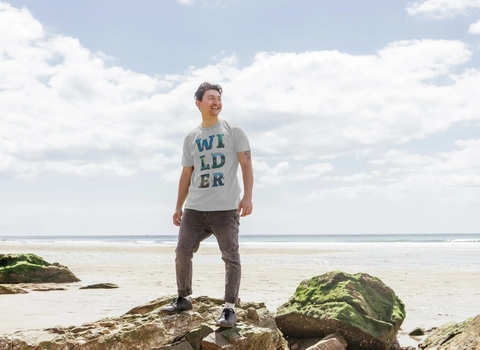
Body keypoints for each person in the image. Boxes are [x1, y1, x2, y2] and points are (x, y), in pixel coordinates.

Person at [160, 82, 254, 328]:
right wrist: (178, 206)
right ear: (198, 103)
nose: (216, 102)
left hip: (225, 208)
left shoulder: (234, 131)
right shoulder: (191, 137)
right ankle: (184, 297)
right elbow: (186, 174)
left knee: (230, 257)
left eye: (219, 98)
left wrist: (247, 197)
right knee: (182, 251)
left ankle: (229, 309)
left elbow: (246, 165)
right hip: (195, 208)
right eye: (210, 98)